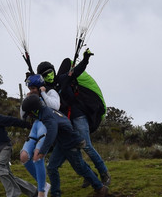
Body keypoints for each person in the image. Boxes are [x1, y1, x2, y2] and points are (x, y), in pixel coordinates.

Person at [37, 50, 110, 188]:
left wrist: (85, 59)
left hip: (77, 115)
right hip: (64, 123)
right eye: (45, 75)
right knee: (73, 152)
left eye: (51, 72)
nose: (49, 76)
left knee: (86, 146)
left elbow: (77, 71)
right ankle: (90, 175)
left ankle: (104, 172)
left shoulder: (64, 78)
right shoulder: (45, 89)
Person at [21, 93, 108, 197]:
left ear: (34, 110)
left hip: (71, 143)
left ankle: (100, 188)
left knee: (80, 168)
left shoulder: (47, 116)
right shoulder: (48, 111)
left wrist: (43, 151)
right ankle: (55, 194)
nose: (31, 116)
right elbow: (64, 120)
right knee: (52, 167)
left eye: (30, 114)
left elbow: (52, 132)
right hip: (62, 144)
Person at [19, 75, 53, 197]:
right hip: (35, 126)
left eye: (34, 88)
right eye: (30, 88)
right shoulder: (30, 97)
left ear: (39, 87)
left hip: (46, 124)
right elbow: (22, 115)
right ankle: (43, 184)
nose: (31, 90)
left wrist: (43, 94)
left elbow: (55, 106)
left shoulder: (49, 93)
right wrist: (26, 101)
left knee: (37, 155)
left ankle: (41, 192)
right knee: (23, 156)